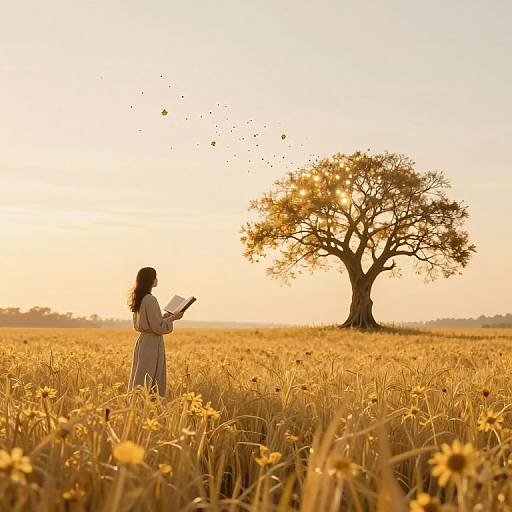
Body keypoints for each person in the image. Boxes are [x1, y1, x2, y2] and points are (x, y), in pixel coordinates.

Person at [127, 267, 184, 397]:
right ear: (150, 280)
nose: (157, 279)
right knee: (150, 376)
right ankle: (147, 406)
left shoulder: (140, 298)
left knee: (141, 375)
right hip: (152, 343)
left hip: (143, 342)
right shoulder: (150, 299)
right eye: (155, 276)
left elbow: (152, 323)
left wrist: (165, 317)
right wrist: (174, 317)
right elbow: (158, 327)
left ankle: (137, 405)